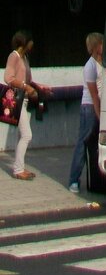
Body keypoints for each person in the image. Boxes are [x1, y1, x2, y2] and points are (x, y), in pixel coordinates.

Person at [4, 30, 48, 180]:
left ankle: (19, 168)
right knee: (27, 134)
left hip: (25, 100)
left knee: (20, 135)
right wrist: (25, 87)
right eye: (31, 41)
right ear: (24, 42)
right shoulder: (14, 56)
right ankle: (18, 170)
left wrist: (39, 87)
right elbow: (8, 78)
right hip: (17, 100)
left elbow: (28, 81)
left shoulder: (25, 58)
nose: (33, 44)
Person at [67, 33, 103, 193]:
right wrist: (99, 114)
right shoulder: (90, 66)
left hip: (99, 105)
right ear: (96, 46)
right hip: (90, 107)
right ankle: (73, 180)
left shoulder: (102, 62)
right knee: (83, 142)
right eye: (102, 44)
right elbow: (94, 94)